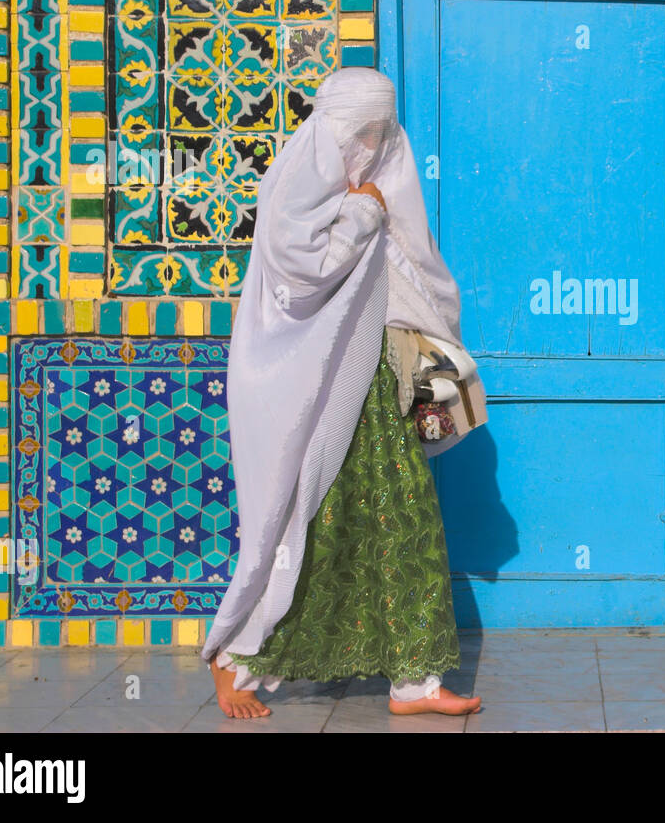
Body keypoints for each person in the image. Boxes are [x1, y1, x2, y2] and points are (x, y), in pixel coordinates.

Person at [201, 68, 481, 718]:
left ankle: (414, 682)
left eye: (382, 133)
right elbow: (304, 275)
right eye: (359, 133)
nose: (370, 146)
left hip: (377, 390)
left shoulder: (380, 181)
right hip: (308, 392)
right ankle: (233, 659)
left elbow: (414, 270)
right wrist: (363, 212)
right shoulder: (297, 183)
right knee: (300, 523)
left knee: (403, 522)